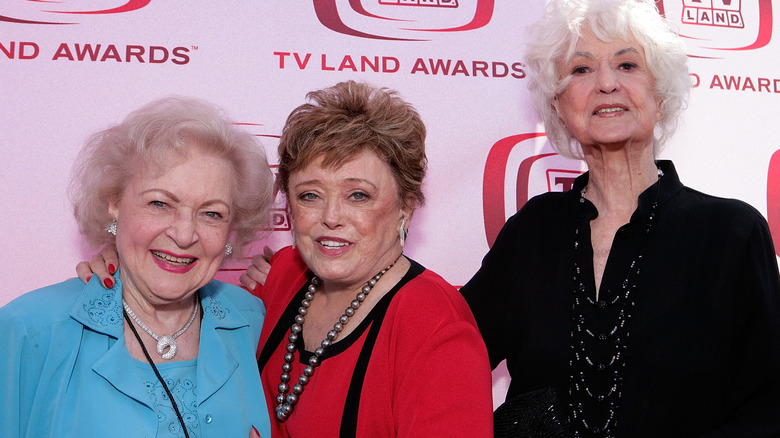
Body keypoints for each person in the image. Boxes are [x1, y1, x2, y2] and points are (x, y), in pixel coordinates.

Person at [76, 81, 495, 437]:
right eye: (310, 194)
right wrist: (127, 259)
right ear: (290, 206)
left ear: (404, 206)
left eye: (358, 195)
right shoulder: (282, 278)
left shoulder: (437, 330)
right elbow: (182, 286)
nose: (331, 217)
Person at [460, 0, 780, 437]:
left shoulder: (730, 231)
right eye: (581, 69)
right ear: (558, 106)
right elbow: (449, 352)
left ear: (662, 96)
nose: (606, 83)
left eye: (627, 64)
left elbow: (768, 400)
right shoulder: (533, 231)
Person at [0, 97, 274, 438]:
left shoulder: (256, 322)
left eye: (212, 213)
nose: (185, 234)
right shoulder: (29, 331)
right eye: (160, 204)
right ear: (114, 202)